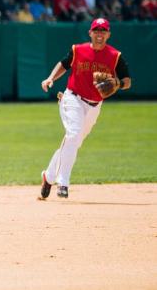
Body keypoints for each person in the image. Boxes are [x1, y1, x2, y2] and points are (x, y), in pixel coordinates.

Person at [39, 18, 131, 199]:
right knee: (73, 134)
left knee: (74, 143)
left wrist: (118, 83)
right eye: (96, 30)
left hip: (95, 106)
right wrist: (50, 78)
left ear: (108, 34)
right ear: (90, 33)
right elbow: (63, 65)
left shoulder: (115, 56)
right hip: (72, 98)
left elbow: (127, 81)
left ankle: (48, 176)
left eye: (103, 31)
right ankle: (63, 183)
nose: (99, 34)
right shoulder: (78, 50)